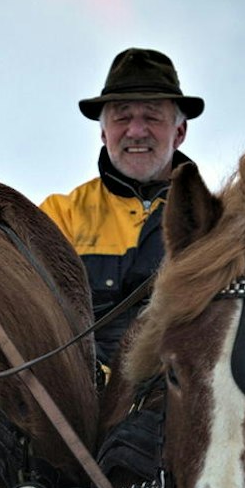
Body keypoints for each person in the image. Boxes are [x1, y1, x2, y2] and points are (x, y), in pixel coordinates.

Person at [39, 47, 204, 370]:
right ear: (104, 132)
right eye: (122, 116)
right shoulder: (58, 216)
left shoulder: (216, 221)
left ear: (179, 132)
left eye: (153, 116)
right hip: (77, 403)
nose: (136, 130)